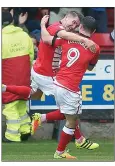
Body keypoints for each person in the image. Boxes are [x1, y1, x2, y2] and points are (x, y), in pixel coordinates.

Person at [2, 12, 98, 147]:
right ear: (65, 17)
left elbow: (50, 39)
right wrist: (84, 40)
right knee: (68, 111)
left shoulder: (58, 30)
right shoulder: (56, 28)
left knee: (33, 94)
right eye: (73, 21)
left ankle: (5, 88)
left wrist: (42, 25)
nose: (73, 25)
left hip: (38, 70)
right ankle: (79, 139)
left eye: (76, 24)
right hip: (47, 76)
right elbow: (57, 36)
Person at [40, 15, 100, 159]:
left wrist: (42, 25)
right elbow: (91, 68)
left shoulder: (66, 38)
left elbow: (47, 40)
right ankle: (60, 151)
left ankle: (42, 118)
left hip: (58, 82)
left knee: (68, 114)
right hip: (70, 87)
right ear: (94, 31)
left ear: (80, 27)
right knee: (72, 120)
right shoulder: (95, 48)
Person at [2, 11, 34, 142]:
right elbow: (31, 56)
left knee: (10, 106)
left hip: (8, 76)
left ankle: (12, 136)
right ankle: (25, 130)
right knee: (21, 104)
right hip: (24, 76)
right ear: (12, 21)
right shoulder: (24, 35)